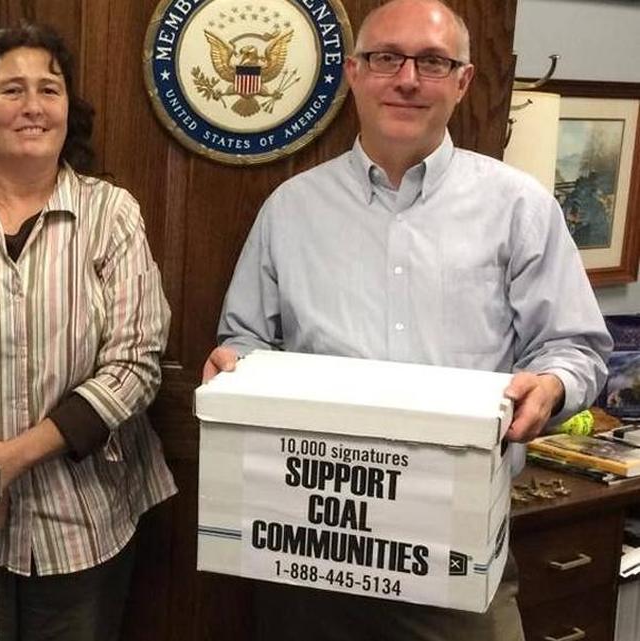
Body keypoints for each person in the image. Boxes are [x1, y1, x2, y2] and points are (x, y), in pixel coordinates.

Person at [202, 0, 610, 639]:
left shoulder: (518, 208)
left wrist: (552, 386)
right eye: (387, 58)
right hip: (307, 554)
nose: (408, 79)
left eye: (432, 61)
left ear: (463, 81)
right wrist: (234, 369)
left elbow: (574, 347)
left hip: (457, 558)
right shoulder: (291, 209)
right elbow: (246, 340)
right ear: (355, 74)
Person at [0, 22, 176, 641]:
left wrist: (11, 459)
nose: (32, 106)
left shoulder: (113, 213)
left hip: (88, 518)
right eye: (11, 90)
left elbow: (136, 363)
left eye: (48, 90)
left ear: (67, 111)